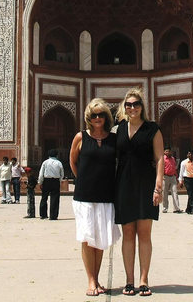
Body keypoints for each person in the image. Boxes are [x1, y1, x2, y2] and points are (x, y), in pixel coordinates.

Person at [114, 87, 164, 297]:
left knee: (144, 234)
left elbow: (160, 157)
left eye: (136, 104)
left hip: (145, 184)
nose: (132, 108)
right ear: (124, 108)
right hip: (123, 185)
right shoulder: (118, 129)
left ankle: (143, 280)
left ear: (142, 106)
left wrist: (158, 186)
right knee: (127, 234)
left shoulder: (152, 129)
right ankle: (129, 280)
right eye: (129, 104)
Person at [70, 98, 121, 297]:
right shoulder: (80, 137)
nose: (97, 118)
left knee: (100, 239)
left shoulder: (113, 139)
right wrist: (82, 180)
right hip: (84, 196)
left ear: (106, 117)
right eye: (94, 115)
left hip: (106, 194)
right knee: (86, 237)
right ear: (88, 118)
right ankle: (91, 280)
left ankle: (97, 279)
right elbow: (73, 162)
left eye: (101, 114)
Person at [38, 149, 64, 220]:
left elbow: (41, 173)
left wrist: (40, 182)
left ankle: (43, 215)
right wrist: (59, 180)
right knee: (55, 198)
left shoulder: (45, 162)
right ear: (56, 155)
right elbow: (62, 174)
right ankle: (53, 216)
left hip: (46, 180)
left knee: (44, 198)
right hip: (55, 181)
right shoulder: (59, 163)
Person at [178, 151, 193, 216]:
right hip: (187, 179)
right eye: (189, 154)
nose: (190, 155)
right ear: (187, 155)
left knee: (191, 194)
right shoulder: (184, 162)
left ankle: (188, 209)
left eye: (191, 154)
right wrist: (181, 181)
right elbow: (181, 171)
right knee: (190, 193)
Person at [162, 148, 182, 214]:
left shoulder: (173, 159)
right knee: (165, 193)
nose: (168, 152)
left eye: (169, 151)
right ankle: (165, 208)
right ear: (164, 152)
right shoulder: (163, 159)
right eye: (166, 151)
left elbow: (174, 167)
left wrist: (176, 176)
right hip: (165, 176)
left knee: (175, 192)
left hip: (172, 177)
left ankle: (176, 208)